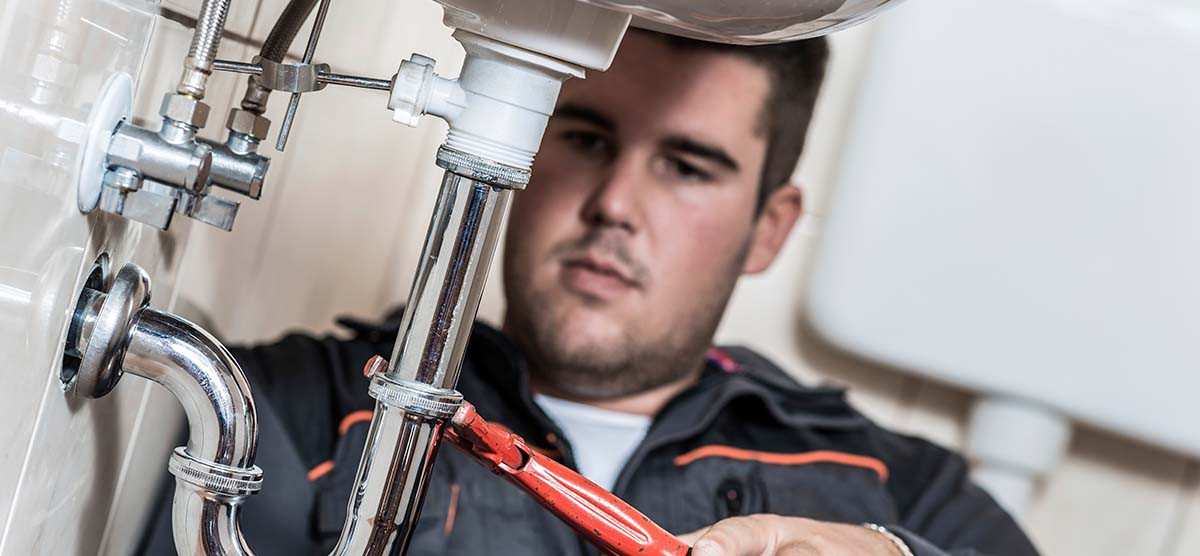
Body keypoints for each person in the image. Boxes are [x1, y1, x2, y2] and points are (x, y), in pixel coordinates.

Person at [142, 28, 1040, 556]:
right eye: (585, 139)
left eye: (687, 166)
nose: (616, 204)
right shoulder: (292, 409)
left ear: (770, 227)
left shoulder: (899, 488)